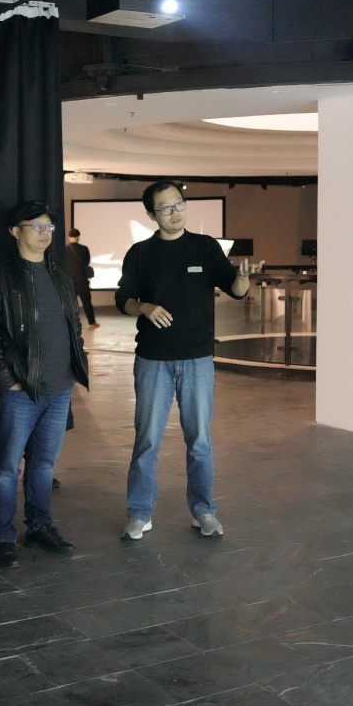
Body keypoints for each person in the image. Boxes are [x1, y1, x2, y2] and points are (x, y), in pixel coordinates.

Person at [115, 180, 258, 540]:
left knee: (200, 441)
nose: (175, 212)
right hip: (153, 359)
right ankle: (139, 512)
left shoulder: (205, 247)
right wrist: (144, 307)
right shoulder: (140, 253)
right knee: (147, 440)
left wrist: (243, 279)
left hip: (197, 360)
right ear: (152, 215)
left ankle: (203, 510)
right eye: (166, 208)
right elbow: (123, 299)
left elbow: (235, 289)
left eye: (179, 204)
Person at [0, 200, 90, 568]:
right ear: (15, 231)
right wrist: (6, 379)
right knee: (7, 467)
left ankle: (39, 527)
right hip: (20, 390)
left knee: (43, 465)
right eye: (36, 226)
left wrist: (75, 367)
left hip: (59, 387)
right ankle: (3, 536)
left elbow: (73, 323)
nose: (45, 233)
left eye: (49, 227)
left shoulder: (58, 272)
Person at [65, 228, 98, 328]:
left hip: (70, 281)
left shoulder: (64, 249)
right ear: (78, 237)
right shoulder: (84, 249)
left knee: (70, 304)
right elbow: (87, 262)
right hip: (82, 280)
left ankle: (71, 323)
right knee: (87, 303)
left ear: (69, 237)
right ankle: (92, 322)